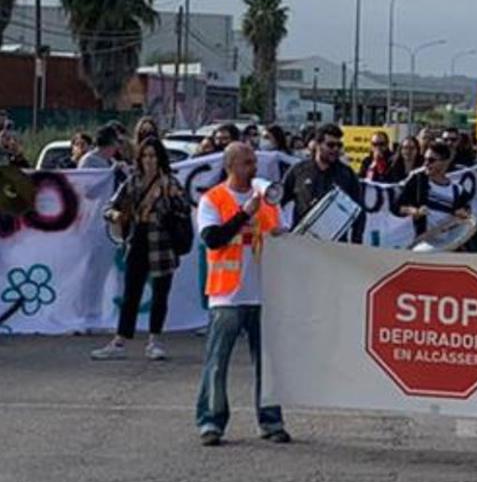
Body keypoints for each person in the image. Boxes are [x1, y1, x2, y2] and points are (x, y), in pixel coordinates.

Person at [194, 142, 291, 446]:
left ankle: (271, 421)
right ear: (230, 166)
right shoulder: (214, 200)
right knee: (217, 362)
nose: (254, 169)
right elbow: (213, 239)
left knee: (268, 364)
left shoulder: (267, 200)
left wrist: (279, 234)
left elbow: (281, 235)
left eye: (254, 162)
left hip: (264, 293)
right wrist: (242, 214)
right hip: (228, 296)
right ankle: (211, 421)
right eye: (247, 163)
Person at [89, 138, 189, 361]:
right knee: (131, 294)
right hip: (138, 239)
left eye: (153, 156)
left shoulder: (169, 183)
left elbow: (183, 209)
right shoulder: (133, 182)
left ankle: (155, 340)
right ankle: (120, 340)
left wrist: (169, 207)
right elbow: (110, 207)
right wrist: (117, 215)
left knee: (160, 294)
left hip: (162, 242)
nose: (149, 160)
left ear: (159, 158)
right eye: (145, 156)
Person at [280, 123, 365, 243]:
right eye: (330, 145)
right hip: (302, 243)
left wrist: (356, 242)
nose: (335, 149)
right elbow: (278, 202)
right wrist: (280, 228)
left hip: (336, 245)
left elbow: (359, 212)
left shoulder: (347, 174)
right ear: (318, 145)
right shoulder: (298, 171)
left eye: (339, 145)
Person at [395, 141, 473, 236]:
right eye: (425, 159)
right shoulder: (418, 181)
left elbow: (467, 216)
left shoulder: (458, 191)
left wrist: (462, 214)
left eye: (431, 160)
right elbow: (396, 206)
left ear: (445, 162)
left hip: (447, 246)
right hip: (422, 243)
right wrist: (414, 211)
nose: (426, 164)